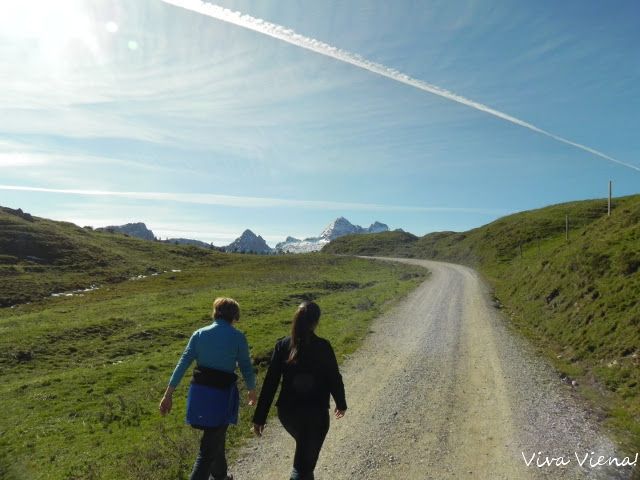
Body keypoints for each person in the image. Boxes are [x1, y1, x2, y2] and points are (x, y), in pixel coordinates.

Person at [159, 297, 257, 480]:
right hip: (222, 396)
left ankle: (220, 476)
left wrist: (168, 395)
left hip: (199, 395)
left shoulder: (199, 334)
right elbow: (245, 366)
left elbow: (183, 364)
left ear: (215, 313)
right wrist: (252, 390)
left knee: (215, 437)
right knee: (208, 449)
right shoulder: (238, 337)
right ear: (235, 316)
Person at [252, 301, 347, 480]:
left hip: (288, 413)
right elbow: (334, 377)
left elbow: (270, 382)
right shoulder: (323, 346)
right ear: (316, 321)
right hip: (316, 414)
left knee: (304, 460)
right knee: (304, 466)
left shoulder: (282, 346)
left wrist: (259, 418)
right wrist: (341, 403)